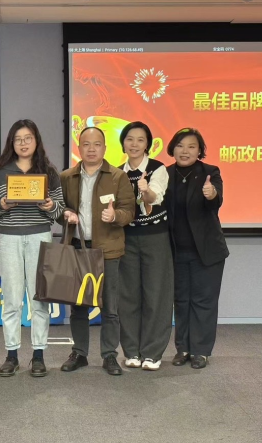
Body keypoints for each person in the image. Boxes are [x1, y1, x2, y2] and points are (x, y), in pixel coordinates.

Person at [0, 119, 65, 377]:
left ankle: (38, 355)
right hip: (9, 239)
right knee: (11, 299)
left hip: (40, 236)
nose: (23, 143)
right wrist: (3, 204)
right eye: (18, 139)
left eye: (28, 138)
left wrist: (50, 206)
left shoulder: (48, 172)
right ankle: (12, 355)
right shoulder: (1, 172)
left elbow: (60, 209)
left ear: (36, 141)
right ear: (12, 143)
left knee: (39, 299)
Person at [58, 126, 135, 375]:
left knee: (110, 307)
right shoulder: (66, 176)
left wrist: (115, 216)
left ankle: (109, 355)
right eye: (86, 144)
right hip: (78, 247)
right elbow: (59, 210)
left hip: (108, 250)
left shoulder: (118, 176)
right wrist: (65, 214)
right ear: (79, 147)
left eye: (97, 144)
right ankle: (79, 353)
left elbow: (129, 212)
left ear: (105, 147)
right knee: (78, 305)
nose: (91, 149)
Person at [165, 127, 229, 369]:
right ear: (173, 148)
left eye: (191, 146)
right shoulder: (165, 174)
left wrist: (211, 194)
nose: (185, 151)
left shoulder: (210, 172)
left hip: (207, 251)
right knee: (181, 300)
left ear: (199, 150)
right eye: (180, 145)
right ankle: (182, 348)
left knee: (204, 301)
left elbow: (216, 201)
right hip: (175, 250)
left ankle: (201, 351)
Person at [117, 121, 174, 371]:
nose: (134, 144)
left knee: (156, 294)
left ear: (148, 144)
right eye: (130, 139)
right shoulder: (117, 172)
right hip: (126, 238)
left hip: (155, 237)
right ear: (123, 143)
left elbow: (155, 197)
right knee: (128, 295)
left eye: (140, 140)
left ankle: (152, 352)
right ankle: (131, 350)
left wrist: (145, 190)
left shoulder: (157, 168)